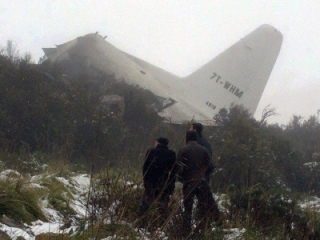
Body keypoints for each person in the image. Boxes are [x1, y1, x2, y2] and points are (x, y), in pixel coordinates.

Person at [177, 130, 220, 236]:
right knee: (207, 204)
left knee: (188, 207)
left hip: (188, 182)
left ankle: (186, 230)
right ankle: (210, 225)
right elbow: (211, 166)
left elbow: (178, 167)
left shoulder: (183, 149)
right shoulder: (203, 149)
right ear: (196, 138)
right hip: (201, 182)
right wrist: (204, 175)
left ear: (187, 138)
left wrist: (182, 178)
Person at [139, 137, 177, 226]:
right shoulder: (171, 154)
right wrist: (171, 185)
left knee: (146, 203)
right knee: (163, 205)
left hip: (151, 182)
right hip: (164, 183)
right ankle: (162, 224)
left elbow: (145, 168)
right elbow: (174, 171)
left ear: (158, 143)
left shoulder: (151, 151)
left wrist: (145, 181)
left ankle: (142, 223)